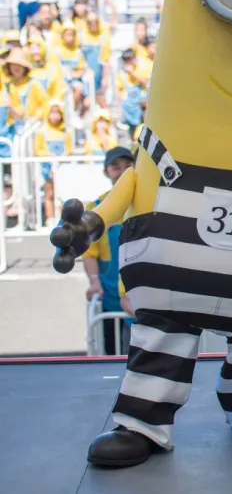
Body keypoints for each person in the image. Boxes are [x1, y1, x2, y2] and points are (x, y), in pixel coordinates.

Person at [82, 147, 136, 354]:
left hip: (139, 294)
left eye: (127, 165)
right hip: (111, 296)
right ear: (106, 172)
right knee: (111, 353)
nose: (122, 171)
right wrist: (95, 282)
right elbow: (89, 253)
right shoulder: (97, 207)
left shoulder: (146, 203)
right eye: (115, 167)